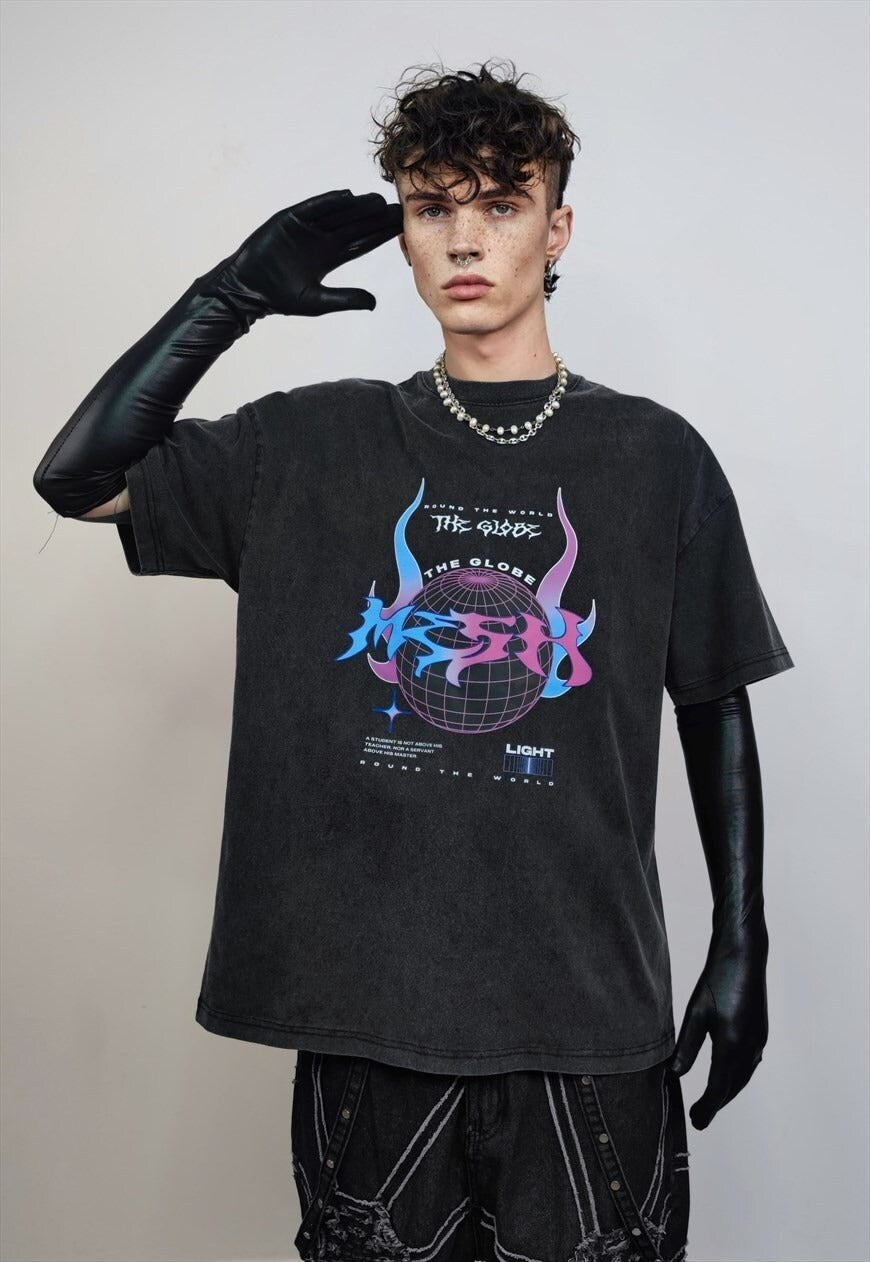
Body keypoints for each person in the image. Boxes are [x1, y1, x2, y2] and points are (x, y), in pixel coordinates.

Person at [33, 58, 794, 1262]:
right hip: (370, 1027)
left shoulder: (656, 458)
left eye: (502, 202)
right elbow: (78, 478)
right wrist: (227, 296)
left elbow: (714, 697)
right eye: (432, 207)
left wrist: (743, 943)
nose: (465, 238)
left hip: (588, 1022)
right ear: (402, 230)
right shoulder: (310, 443)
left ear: (557, 227)